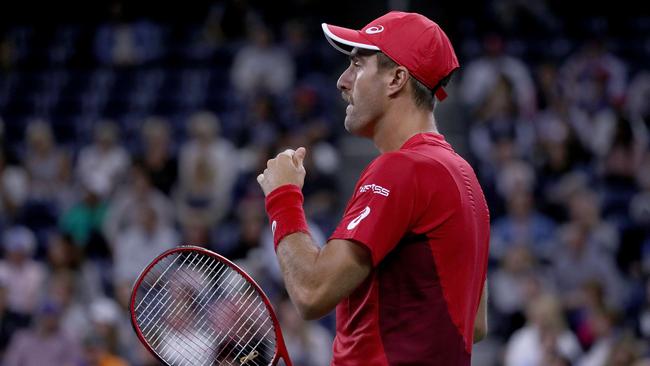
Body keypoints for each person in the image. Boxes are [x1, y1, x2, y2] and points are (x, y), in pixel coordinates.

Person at [257, 11, 490, 364]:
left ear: (396, 79)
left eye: (357, 65)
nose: (342, 81)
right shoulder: (465, 176)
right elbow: (475, 323)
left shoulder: (402, 169)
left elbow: (311, 291)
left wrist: (283, 199)